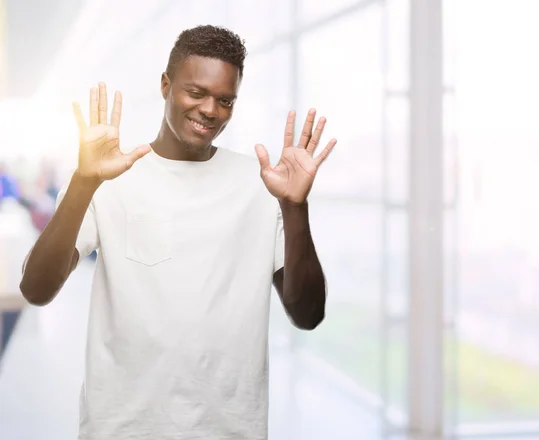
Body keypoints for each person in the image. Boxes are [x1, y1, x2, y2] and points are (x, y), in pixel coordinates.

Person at [19, 25, 336, 439]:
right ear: (165, 85)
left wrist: (295, 209)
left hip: (230, 429)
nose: (210, 110)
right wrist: (83, 181)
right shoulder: (109, 177)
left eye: (225, 100)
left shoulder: (261, 184)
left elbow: (308, 314)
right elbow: (36, 289)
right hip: (122, 429)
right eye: (196, 92)